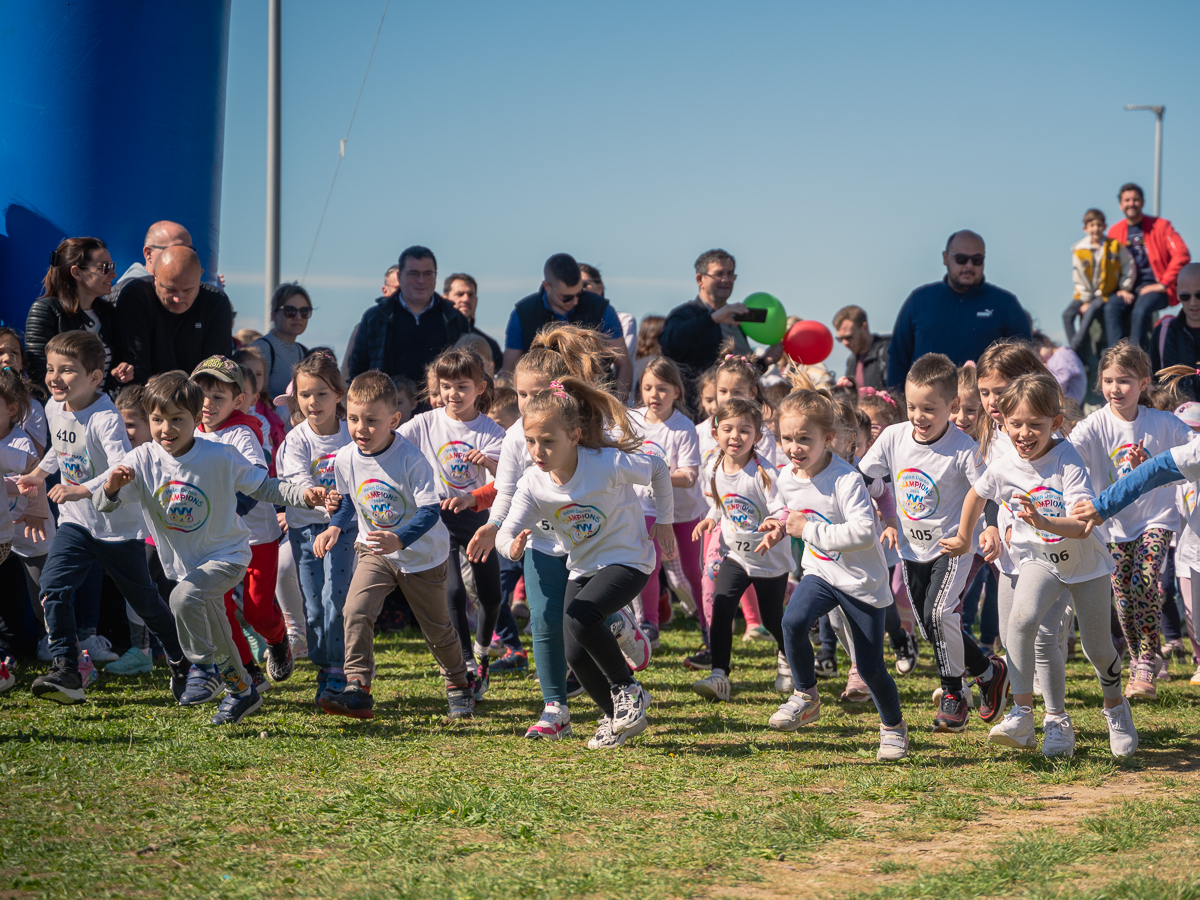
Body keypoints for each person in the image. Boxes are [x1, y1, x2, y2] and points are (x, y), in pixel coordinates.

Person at [93, 371, 324, 724]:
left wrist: (303, 495)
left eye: (176, 419)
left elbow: (265, 488)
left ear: (195, 417)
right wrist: (110, 487)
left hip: (228, 556)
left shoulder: (220, 456)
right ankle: (241, 691)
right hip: (187, 566)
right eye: (157, 419)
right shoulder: (142, 459)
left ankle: (202, 669)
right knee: (222, 634)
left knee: (182, 598)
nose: (166, 429)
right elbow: (104, 504)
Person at [461, 325, 647, 740]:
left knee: (583, 619)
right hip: (543, 541)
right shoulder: (514, 438)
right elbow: (507, 492)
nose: (528, 403)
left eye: (537, 393)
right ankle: (555, 708)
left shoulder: (589, 428)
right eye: (522, 395)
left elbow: (625, 478)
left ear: (561, 392)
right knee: (545, 623)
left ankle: (618, 625)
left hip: (593, 544)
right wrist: (494, 527)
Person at [943, 373, 1133, 758]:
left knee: (1097, 649)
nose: (1025, 433)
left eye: (1036, 425)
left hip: (1084, 564)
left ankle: (1115, 707)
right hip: (1040, 561)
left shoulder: (1067, 459)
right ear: (1002, 422)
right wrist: (966, 538)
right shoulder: (1003, 464)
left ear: (1056, 423)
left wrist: (1044, 522)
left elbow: (1082, 527)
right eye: (1016, 424)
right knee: (1020, 621)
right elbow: (976, 497)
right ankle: (1029, 715)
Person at [496, 376, 675, 749]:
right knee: (574, 648)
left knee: (580, 616)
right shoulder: (533, 482)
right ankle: (614, 719)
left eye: (548, 442)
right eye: (531, 442)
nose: (538, 451)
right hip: (584, 565)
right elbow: (507, 529)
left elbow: (657, 468)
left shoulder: (605, 463)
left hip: (629, 559)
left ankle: (628, 689)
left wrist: (665, 521)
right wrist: (509, 547)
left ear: (575, 436)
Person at [18, 333, 191, 707]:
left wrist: (82, 489)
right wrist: (37, 474)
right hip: (75, 523)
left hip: (117, 529)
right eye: (50, 368)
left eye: (67, 370)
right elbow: (60, 451)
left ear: (96, 377)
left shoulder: (106, 418)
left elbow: (121, 467)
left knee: (145, 603)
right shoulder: (53, 406)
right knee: (53, 586)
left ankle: (181, 660)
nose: (55, 377)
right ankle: (66, 669)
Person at [314, 370, 477, 721]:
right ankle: (358, 686)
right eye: (354, 419)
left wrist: (399, 538)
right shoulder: (345, 458)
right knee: (355, 609)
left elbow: (431, 511)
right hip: (373, 549)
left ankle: (458, 684)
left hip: (422, 555)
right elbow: (346, 503)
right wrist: (334, 529)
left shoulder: (411, 458)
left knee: (437, 630)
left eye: (372, 420)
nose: (360, 428)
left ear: (395, 419)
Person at [860, 352, 1010, 733]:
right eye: (912, 407)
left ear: (953, 406)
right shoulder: (894, 437)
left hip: (956, 546)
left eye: (929, 408)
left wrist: (989, 528)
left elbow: (988, 491)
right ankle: (988, 671)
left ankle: (954, 694)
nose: (918, 416)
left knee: (940, 614)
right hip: (913, 550)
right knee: (930, 625)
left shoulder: (963, 448)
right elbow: (864, 476)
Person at [765, 388, 910, 760]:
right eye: (787, 439)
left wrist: (805, 530)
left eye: (804, 439)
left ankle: (893, 728)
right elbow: (789, 509)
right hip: (820, 572)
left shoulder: (847, 480)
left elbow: (863, 532)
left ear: (828, 439)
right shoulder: (787, 476)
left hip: (862, 583)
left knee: (871, 667)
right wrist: (779, 524)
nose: (794, 448)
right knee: (793, 622)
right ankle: (805, 696)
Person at [1066, 340, 1194, 700]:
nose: (1114, 389)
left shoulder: (1164, 423)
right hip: (1113, 525)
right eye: (1107, 380)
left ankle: (1146, 661)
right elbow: (1064, 455)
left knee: (1144, 582)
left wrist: (1149, 470)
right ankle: (1139, 657)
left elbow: (1192, 455)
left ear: (1143, 382)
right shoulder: (1094, 425)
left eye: (1123, 381)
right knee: (1122, 597)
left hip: (1157, 518)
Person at [399, 348, 505, 696]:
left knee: (490, 597)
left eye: (461, 386)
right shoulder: (425, 422)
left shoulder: (492, 431)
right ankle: (465, 665)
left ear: (481, 388)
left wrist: (489, 464)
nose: (452, 394)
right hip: (438, 517)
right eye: (446, 386)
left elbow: (507, 480)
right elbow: (393, 445)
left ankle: (482, 651)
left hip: (477, 518)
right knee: (454, 592)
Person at [190, 356, 293, 693]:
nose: (207, 404)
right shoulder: (188, 432)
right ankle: (248, 669)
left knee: (257, 612)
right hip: (217, 541)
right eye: (202, 394)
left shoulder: (242, 434)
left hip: (257, 538)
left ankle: (278, 639)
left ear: (238, 401)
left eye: (218, 398)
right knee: (220, 611)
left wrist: (234, 507)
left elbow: (256, 477)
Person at [690, 398, 792, 703]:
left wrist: (776, 527)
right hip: (736, 556)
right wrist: (709, 519)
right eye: (728, 429)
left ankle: (788, 658)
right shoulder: (714, 466)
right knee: (721, 609)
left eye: (745, 430)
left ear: (758, 437)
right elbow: (720, 504)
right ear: (715, 432)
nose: (736, 436)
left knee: (772, 619)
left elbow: (782, 510)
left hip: (768, 559)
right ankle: (720, 675)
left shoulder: (764, 474)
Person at [277, 353, 354, 707]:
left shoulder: (350, 436)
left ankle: (338, 670)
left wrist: (336, 510)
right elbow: (299, 480)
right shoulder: (296, 439)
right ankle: (325, 668)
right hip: (305, 531)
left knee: (335, 600)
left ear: (339, 394)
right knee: (313, 607)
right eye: (305, 395)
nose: (312, 402)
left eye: (321, 394)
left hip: (343, 530)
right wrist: (319, 498)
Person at [885, 231, 1031, 389]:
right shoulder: (919, 300)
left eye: (977, 260)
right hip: (927, 407)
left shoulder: (1006, 304)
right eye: (961, 259)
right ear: (945, 258)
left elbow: (1024, 363)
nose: (969, 266)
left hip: (982, 408)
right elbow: (898, 356)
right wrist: (898, 403)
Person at [501, 254, 632, 400]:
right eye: (567, 297)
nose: (575, 301)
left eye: (580, 294)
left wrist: (617, 406)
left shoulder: (601, 309)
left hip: (593, 402)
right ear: (547, 286)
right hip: (541, 404)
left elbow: (624, 364)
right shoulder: (523, 313)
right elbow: (509, 372)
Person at [347, 246, 471, 385]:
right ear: (400, 277)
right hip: (388, 403)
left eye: (427, 274)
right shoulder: (376, 318)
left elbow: (468, 370)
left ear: (436, 276)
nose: (421, 280)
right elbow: (357, 371)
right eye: (414, 273)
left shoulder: (454, 319)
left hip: (441, 404)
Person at [113, 246, 233, 384]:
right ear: (155, 276)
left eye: (188, 290)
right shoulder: (136, 297)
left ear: (200, 276)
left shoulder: (215, 303)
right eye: (170, 289)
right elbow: (136, 370)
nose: (178, 298)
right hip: (146, 399)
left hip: (197, 400)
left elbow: (214, 372)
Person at [25, 237, 127, 386]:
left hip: (106, 407)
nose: (113, 274)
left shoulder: (108, 313)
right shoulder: (46, 311)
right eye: (105, 267)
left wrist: (119, 374)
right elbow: (40, 377)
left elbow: (112, 373)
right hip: (63, 408)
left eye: (112, 266)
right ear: (77, 273)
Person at [1106, 183, 1191, 350]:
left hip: (1156, 287)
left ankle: (1136, 361)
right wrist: (1118, 288)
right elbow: (1109, 266)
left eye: (1135, 199)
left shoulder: (1161, 226)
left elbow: (1182, 254)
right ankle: (1115, 358)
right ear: (1120, 204)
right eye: (1127, 200)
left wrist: (1164, 283)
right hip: (1128, 288)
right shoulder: (1114, 232)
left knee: (1140, 310)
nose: (1131, 203)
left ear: (1143, 202)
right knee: (1111, 307)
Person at [660, 250, 753, 400]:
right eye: (719, 274)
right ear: (700, 279)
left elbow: (739, 368)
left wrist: (765, 361)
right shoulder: (684, 314)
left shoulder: (735, 318)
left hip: (735, 410)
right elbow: (670, 343)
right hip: (695, 410)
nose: (726, 279)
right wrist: (712, 319)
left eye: (730, 274)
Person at [1064, 209, 1134, 350]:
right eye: (1092, 225)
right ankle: (1074, 346)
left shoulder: (1113, 246)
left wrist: (1124, 286)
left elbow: (1129, 264)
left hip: (1105, 293)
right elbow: (1080, 277)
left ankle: (1075, 346)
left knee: (1091, 311)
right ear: (1085, 229)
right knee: (1067, 315)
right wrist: (1086, 300)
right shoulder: (1079, 250)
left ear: (1105, 226)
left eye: (1099, 225)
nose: (1096, 229)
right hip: (1085, 294)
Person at [251, 283, 312, 399]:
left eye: (304, 311)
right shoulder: (260, 349)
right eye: (290, 311)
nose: (298, 317)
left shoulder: (304, 352)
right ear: (273, 315)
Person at [340, 265, 399, 381]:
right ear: (385, 290)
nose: (403, 292)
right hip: (377, 396)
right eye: (398, 288)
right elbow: (349, 371)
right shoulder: (369, 323)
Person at [1151, 263, 1200, 400]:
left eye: (1199, 295)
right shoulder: (1163, 333)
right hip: (1174, 419)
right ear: (1178, 293)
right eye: (1186, 296)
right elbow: (1152, 386)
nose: (1193, 302)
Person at [111, 220, 193, 291]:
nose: (185, 257)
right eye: (175, 250)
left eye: (190, 251)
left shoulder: (195, 291)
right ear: (148, 254)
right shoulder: (129, 293)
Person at [580, 263, 637, 362]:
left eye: (584, 284)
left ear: (600, 287)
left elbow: (619, 359)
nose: (580, 290)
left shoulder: (624, 320)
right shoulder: (565, 318)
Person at [443, 273, 503, 366]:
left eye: (470, 295)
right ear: (445, 299)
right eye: (460, 294)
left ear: (476, 300)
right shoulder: (436, 337)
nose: (466, 299)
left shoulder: (489, 345)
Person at [833, 305, 889, 391]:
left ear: (864, 327)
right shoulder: (851, 360)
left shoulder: (887, 353)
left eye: (849, 337)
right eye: (840, 339)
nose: (844, 343)